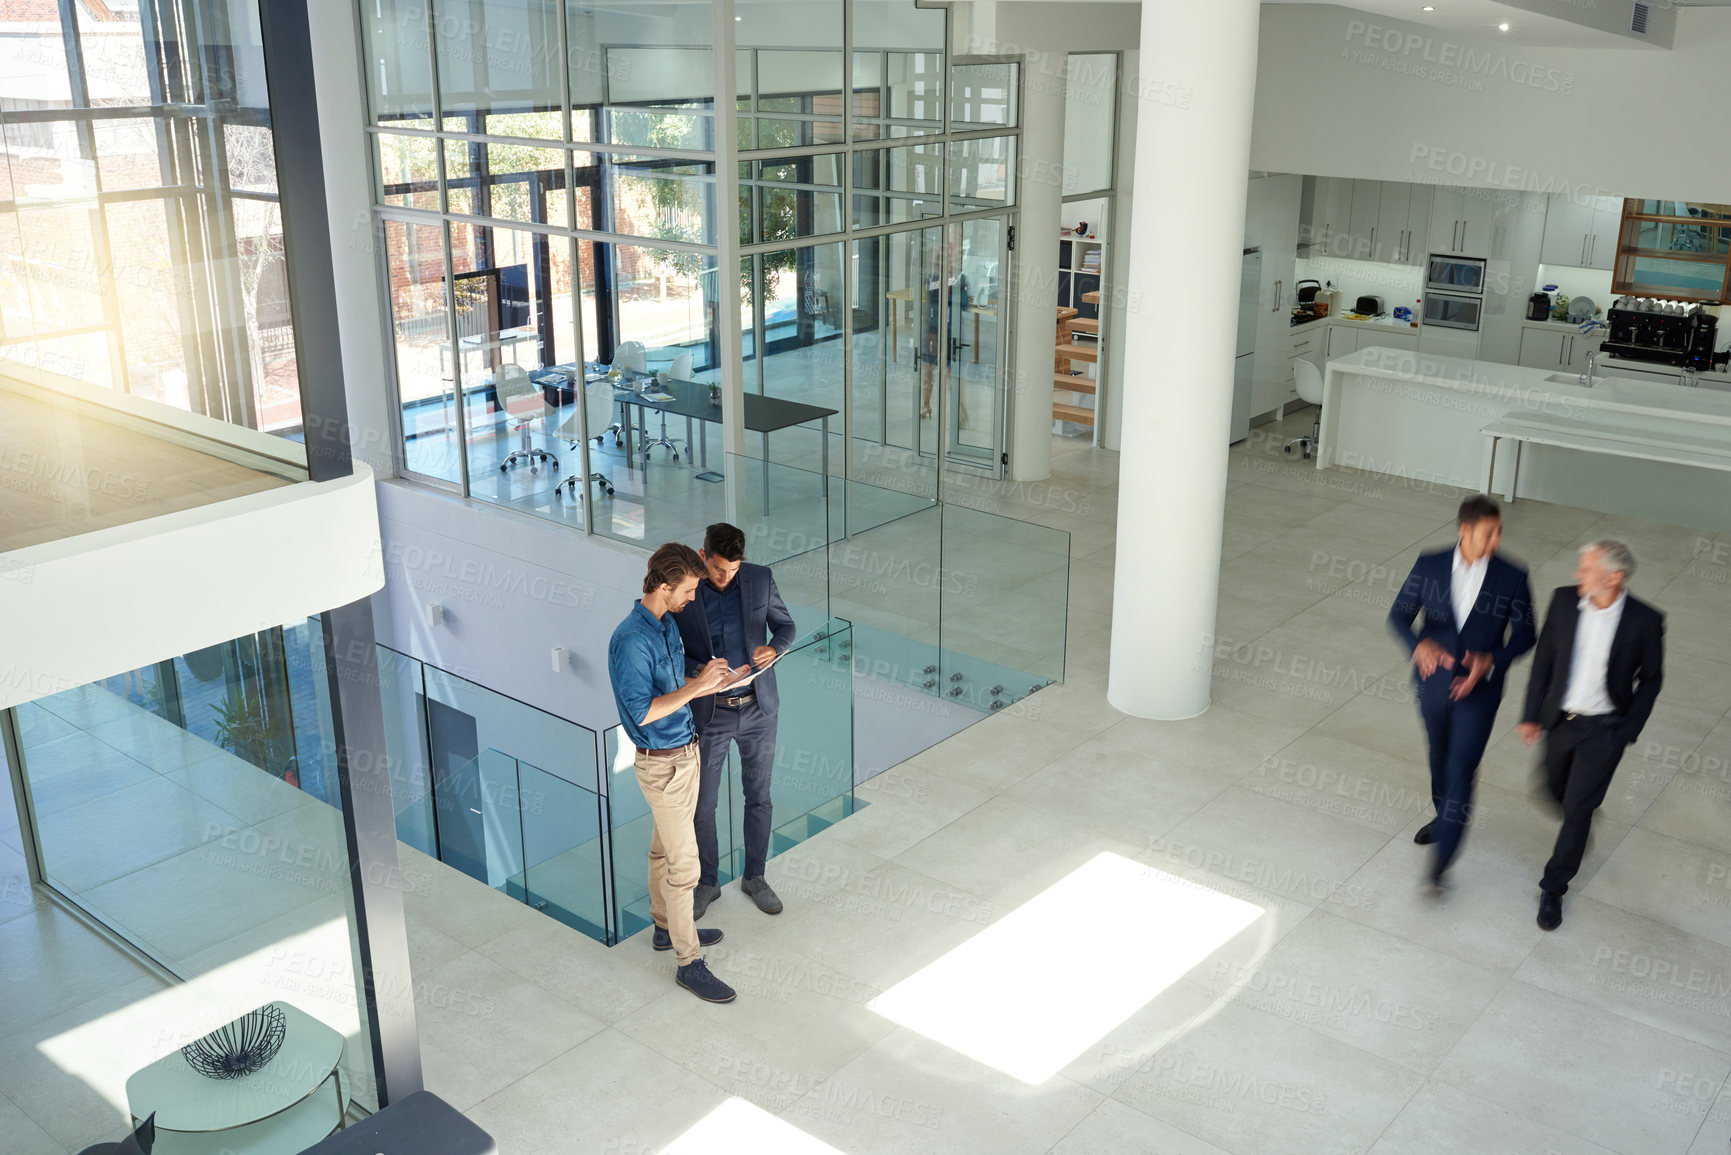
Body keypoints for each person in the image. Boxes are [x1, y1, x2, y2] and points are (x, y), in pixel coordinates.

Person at [607, 543, 737, 1003]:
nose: (692, 597)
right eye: (687, 590)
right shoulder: (631, 641)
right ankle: (689, 962)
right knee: (686, 865)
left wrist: (705, 675)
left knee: (664, 851)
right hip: (661, 764)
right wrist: (698, 688)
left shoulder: (664, 625)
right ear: (663, 587)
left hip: (687, 752)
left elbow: (673, 679)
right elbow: (641, 711)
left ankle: (664, 928)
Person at [1388, 494, 1536, 888]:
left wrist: (1493, 660)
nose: (1496, 542)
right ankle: (1443, 816)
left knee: (1461, 766)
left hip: (1480, 691)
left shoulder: (1513, 575)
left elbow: (1526, 634)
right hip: (1432, 684)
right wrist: (1417, 644)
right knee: (1438, 755)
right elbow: (1399, 615)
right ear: (1464, 531)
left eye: (1499, 533)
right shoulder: (1430, 564)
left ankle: (1442, 861)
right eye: (1489, 534)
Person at [1518, 540, 1664, 931]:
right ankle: (1580, 814)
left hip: (1605, 731)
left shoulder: (1645, 621)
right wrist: (1531, 714)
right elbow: (1544, 661)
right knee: (1552, 791)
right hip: (1561, 722)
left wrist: (1629, 729)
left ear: (1614, 577)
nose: (1577, 575)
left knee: (1577, 811)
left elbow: (1651, 680)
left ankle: (1554, 887)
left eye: (1585, 569)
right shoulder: (1564, 602)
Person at [673, 523, 797, 920]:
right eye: (719, 569)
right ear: (703, 554)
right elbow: (672, 650)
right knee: (702, 804)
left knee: (758, 796)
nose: (726, 577)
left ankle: (755, 877)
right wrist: (700, 671)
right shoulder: (687, 589)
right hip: (712, 712)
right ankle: (707, 882)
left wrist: (773, 649)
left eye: (733, 569)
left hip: (760, 708)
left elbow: (786, 626)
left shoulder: (760, 579)